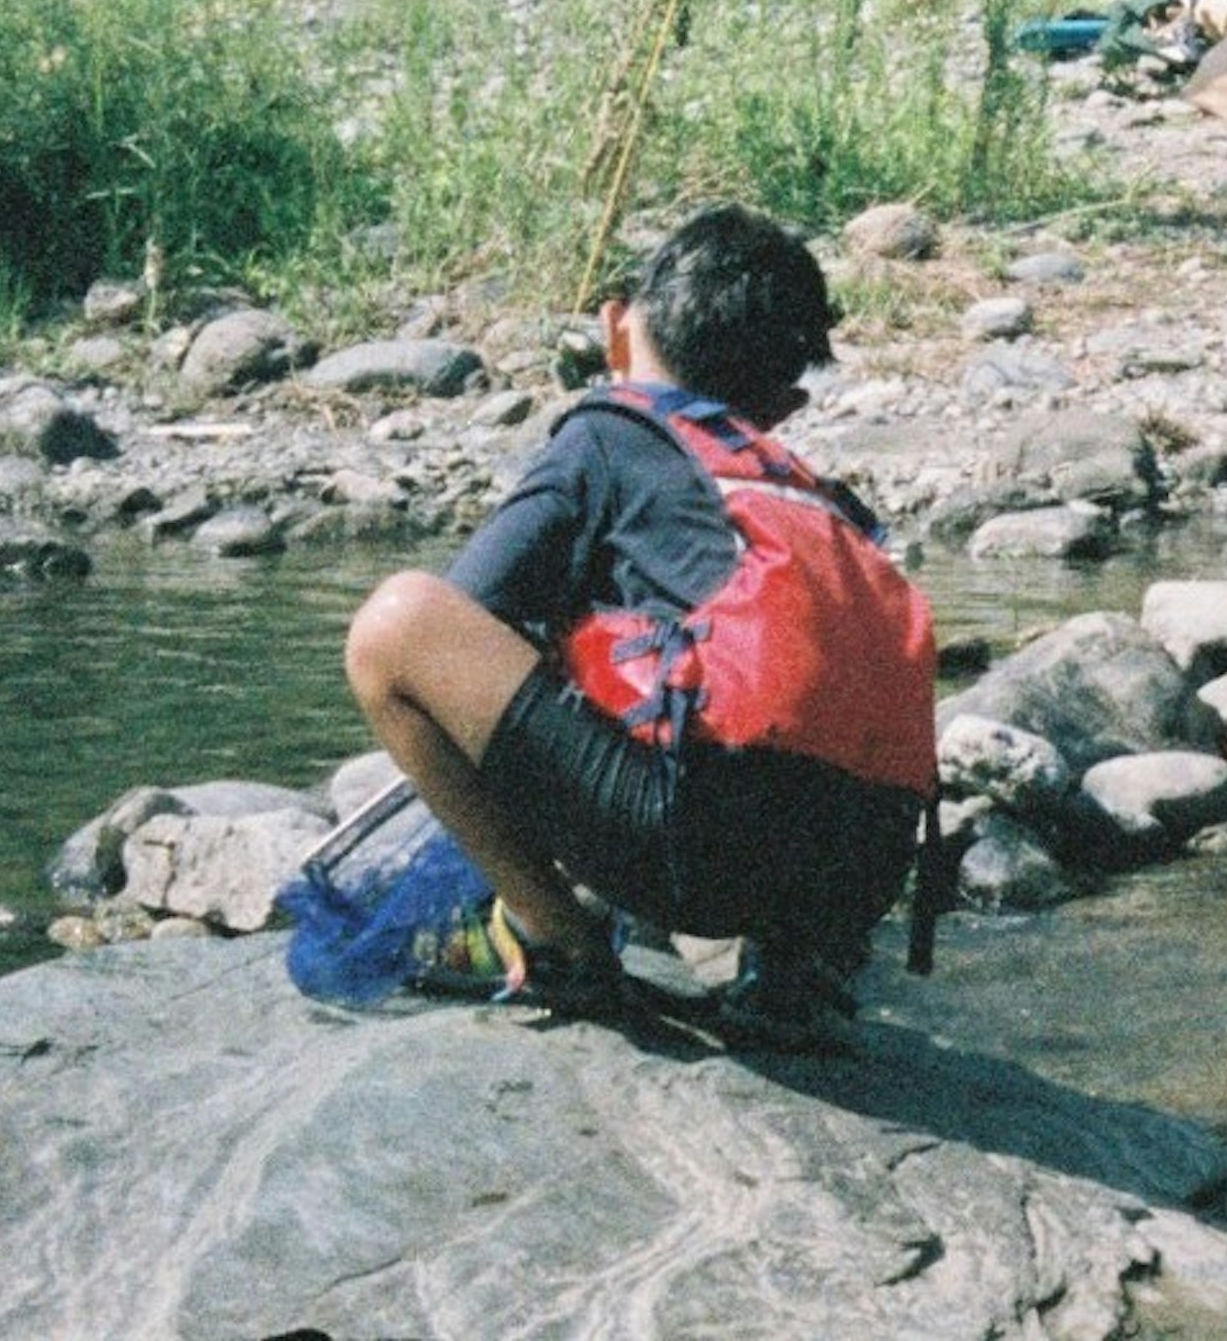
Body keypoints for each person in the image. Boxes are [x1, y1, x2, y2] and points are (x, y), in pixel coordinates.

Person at [342, 206, 935, 1049]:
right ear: (784, 405)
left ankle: (559, 942)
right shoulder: (814, 498)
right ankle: (793, 969)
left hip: (697, 851)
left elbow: (464, 612)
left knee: (395, 626)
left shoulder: (609, 434)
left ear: (618, 326)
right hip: (857, 880)